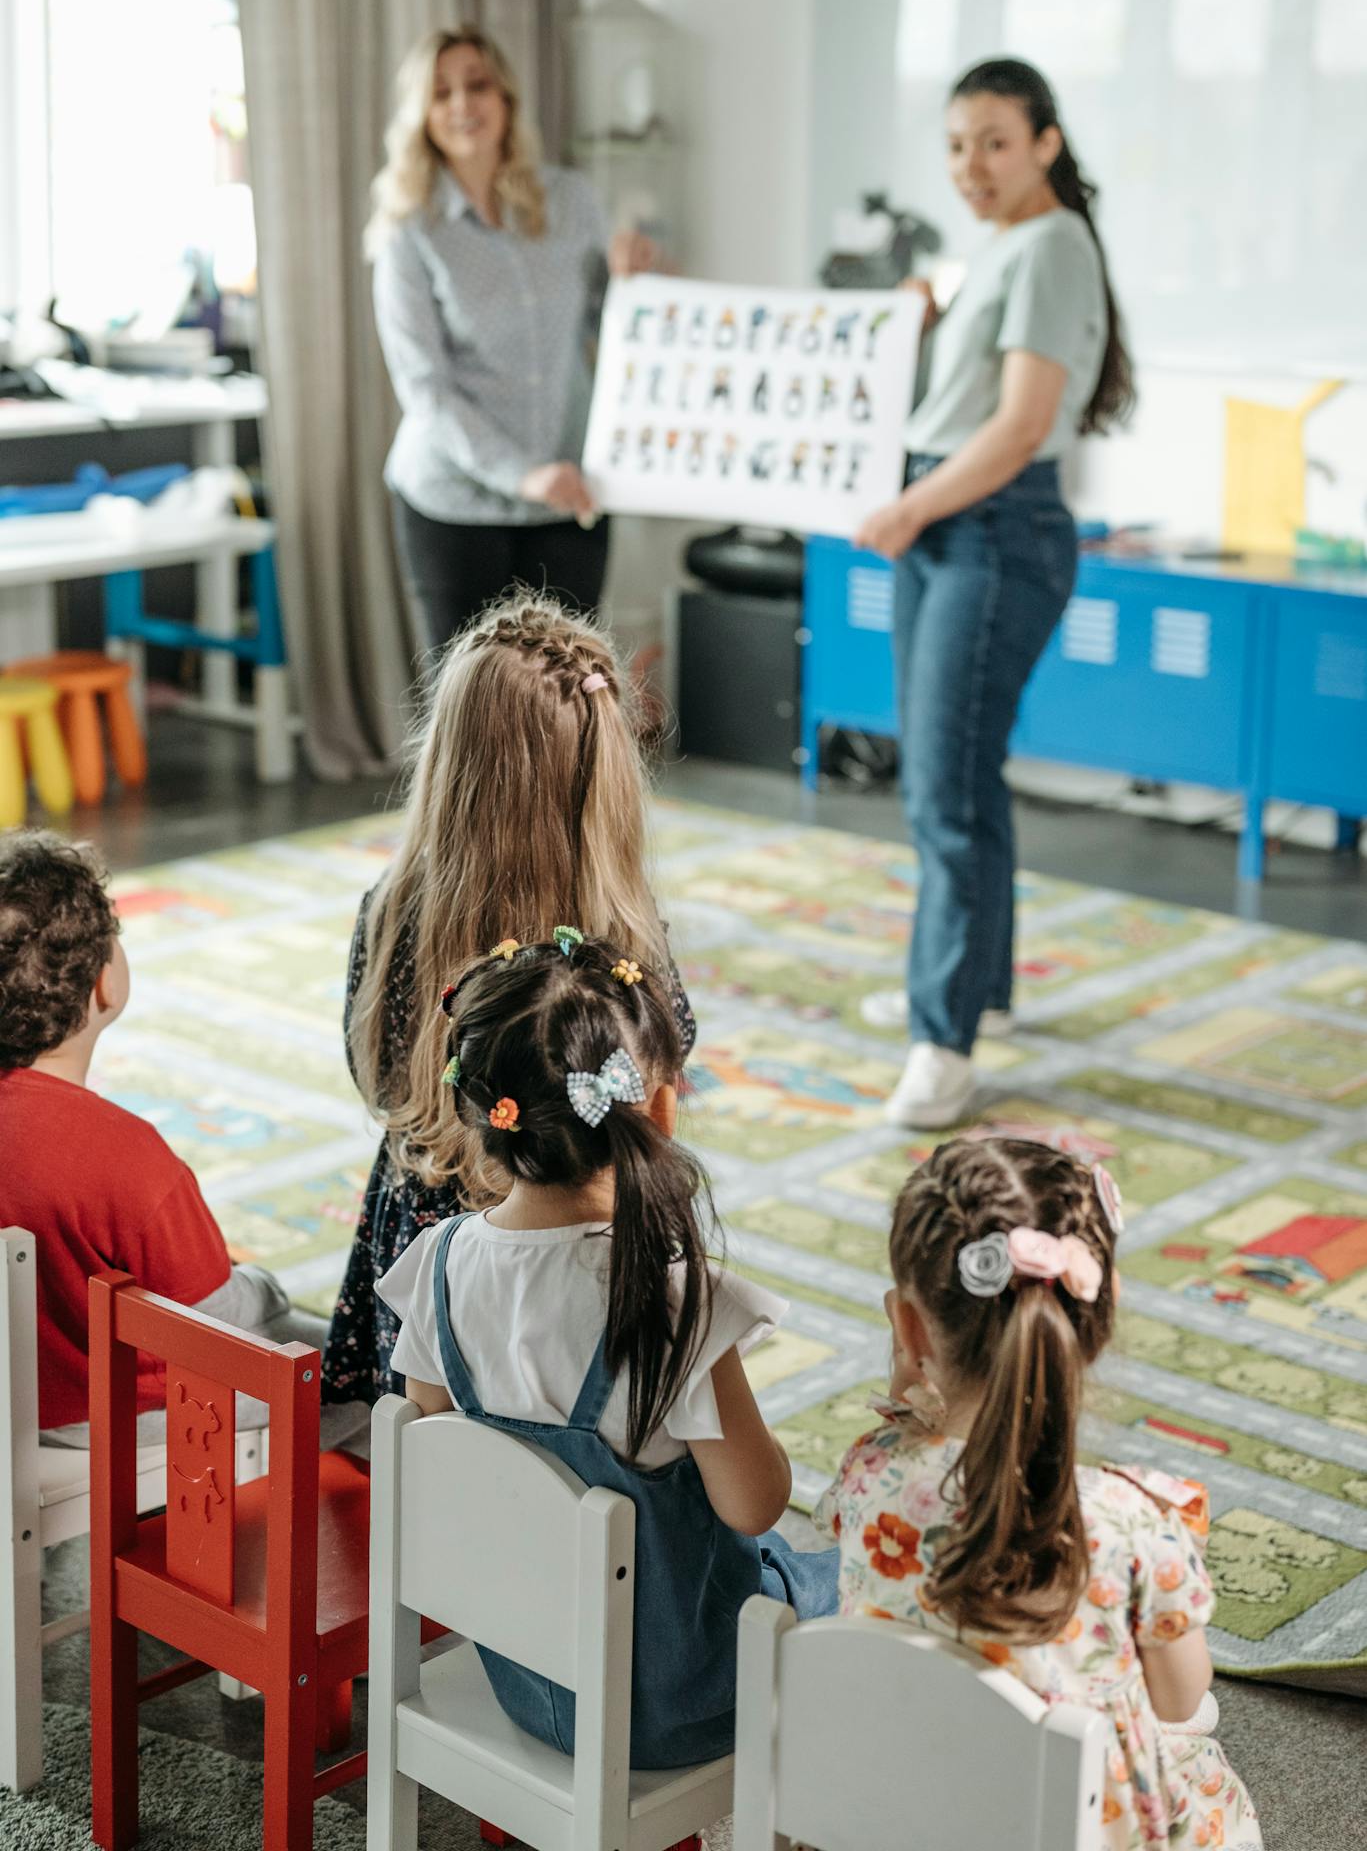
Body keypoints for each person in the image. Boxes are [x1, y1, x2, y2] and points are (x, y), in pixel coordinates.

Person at [378, 935, 839, 1767]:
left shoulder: (438, 1266)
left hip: (521, 1676)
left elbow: (428, 1444)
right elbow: (756, 1505)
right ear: (658, 1109)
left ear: (482, 1118)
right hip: (677, 1703)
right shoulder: (672, 1301)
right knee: (857, 1585)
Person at [816, 1135, 1261, 1851]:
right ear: (1102, 1312)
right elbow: (1179, 1698)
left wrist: (905, 1386)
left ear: (905, 1323)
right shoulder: (1132, 1523)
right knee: (1201, 1762)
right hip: (1067, 1827)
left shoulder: (869, 1472)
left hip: (898, 1815)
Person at [322, 593, 696, 1407]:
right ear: (607, 777)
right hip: (585, 1255)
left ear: (449, 760)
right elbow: (662, 1081)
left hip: (433, 1270)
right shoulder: (626, 941)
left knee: (439, 1456)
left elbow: (378, 1081)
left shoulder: (392, 913)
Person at [854, 57, 1135, 1128]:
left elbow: (1017, 426)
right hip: (953, 525)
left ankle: (944, 1035)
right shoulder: (1007, 247)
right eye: (955, 145)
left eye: (993, 142)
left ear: (1045, 144)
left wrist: (914, 505)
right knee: (961, 775)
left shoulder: (1053, 243)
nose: (970, 165)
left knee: (944, 789)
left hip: (990, 526)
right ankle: (979, 989)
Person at [0, 831, 364, 1448]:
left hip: (19, 1406)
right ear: (105, 985)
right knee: (354, 1374)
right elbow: (217, 1321)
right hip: (123, 1422)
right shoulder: (124, 1155)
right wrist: (265, 1289)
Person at [366, 23, 657, 656]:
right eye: (442, 93)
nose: (463, 105)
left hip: (568, 496)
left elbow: (610, 328)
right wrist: (522, 474)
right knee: (470, 717)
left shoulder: (572, 201)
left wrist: (634, 279)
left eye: (478, 86)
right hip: (454, 502)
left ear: (507, 100)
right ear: (422, 114)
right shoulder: (409, 233)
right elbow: (426, 390)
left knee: (568, 699)